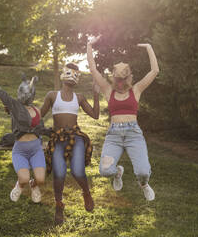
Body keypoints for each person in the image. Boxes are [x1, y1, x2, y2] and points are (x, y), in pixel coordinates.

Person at [87, 36, 159, 201]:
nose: (120, 83)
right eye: (117, 79)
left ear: (129, 78)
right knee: (105, 171)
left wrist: (149, 47)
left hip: (133, 134)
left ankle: (144, 185)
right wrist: (89, 45)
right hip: (114, 137)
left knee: (142, 172)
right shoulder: (107, 90)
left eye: (123, 79)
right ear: (114, 78)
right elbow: (92, 68)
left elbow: (154, 71)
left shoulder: (136, 90)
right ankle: (118, 172)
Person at [0, 62, 49, 203]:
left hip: (36, 149)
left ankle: (34, 186)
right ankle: (20, 186)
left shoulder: (37, 110)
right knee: (24, 178)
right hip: (20, 150)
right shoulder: (14, 105)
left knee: (40, 179)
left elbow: (41, 130)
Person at [40, 62, 100, 224]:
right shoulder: (52, 95)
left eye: (75, 73)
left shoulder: (79, 97)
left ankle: (86, 193)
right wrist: (16, 109)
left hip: (75, 136)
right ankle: (59, 206)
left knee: (77, 171)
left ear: (77, 78)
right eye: (70, 72)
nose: (72, 76)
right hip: (58, 138)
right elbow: (38, 115)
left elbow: (95, 115)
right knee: (59, 173)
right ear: (63, 74)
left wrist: (95, 95)